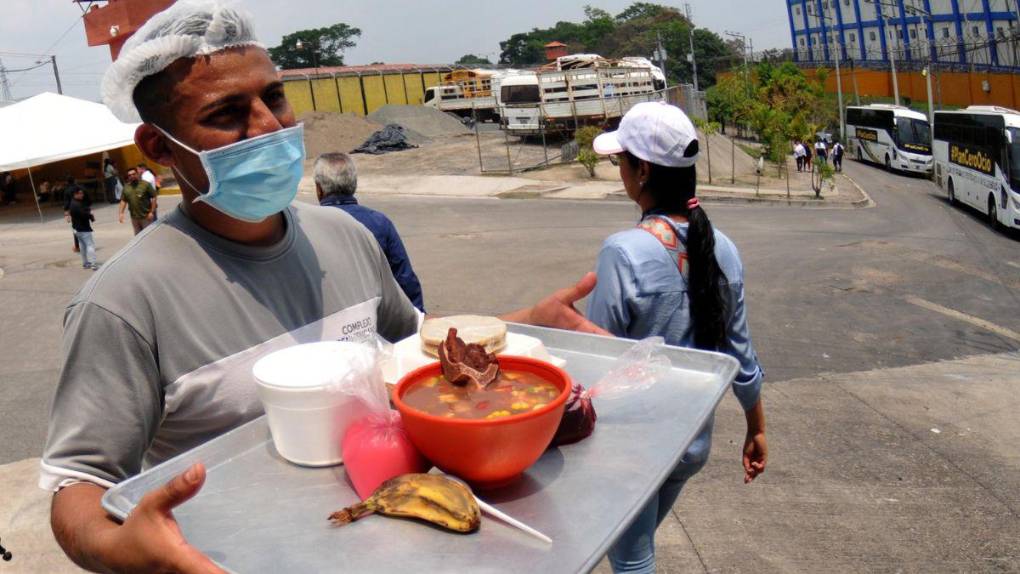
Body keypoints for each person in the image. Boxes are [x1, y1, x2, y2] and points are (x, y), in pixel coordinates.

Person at [39, 3, 606, 572]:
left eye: (274, 97)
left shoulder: (346, 237)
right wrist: (123, 550)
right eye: (228, 113)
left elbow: (416, 359)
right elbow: (78, 483)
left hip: (387, 539)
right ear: (159, 147)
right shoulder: (123, 302)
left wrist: (524, 322)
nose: (269, 125)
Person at [588, 102, 767, 574]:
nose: (620, 171)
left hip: (634, 449)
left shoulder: (623, 252)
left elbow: (599, 358)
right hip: (691, 446)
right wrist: (757, 428)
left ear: (642, 171)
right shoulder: (723, 247)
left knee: (632, 559)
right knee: (637, 543)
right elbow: (741, 355)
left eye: (620, 161)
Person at [315, 152, 426, 312]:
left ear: (319, 189)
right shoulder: (380, 223)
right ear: (353, 184)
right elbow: (404, 279)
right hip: (377, 320)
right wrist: (418, 320)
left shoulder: (306, 226)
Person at [117, 166, 158, 234]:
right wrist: (121, 213)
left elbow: (154, 197)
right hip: (134, 218)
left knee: (148, 235)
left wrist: (151, 211)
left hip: (146, 216)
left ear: (137, 174)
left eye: (133, 174)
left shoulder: (145, 184)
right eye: (130, 175)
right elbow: (123, 201)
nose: (132, 176)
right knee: (138, 237)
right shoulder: (126, 187)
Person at [68, 187, 97, 269]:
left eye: (82, 193)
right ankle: (93, 263)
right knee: (90, 245)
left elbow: (83, 210)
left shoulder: (74, 203)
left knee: (82, 246)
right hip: (83, 228)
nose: (82, 195)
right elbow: (83, 214)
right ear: (75, 194)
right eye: (80, 193)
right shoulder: (76, 204)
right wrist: (90, 214)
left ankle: (85, 262)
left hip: (77, 229)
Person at [63, 176, 89, 252]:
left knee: (76, 228)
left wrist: (66, 214)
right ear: (75, 180)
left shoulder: (67, 191)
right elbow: (87, 198)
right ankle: (87, 243)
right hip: (83, 208)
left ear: (67, 182)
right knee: (85, 226)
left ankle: (77, 246)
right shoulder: (81, 188)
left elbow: (66, 203)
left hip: (73, 210)